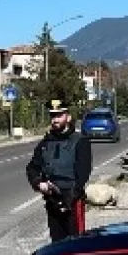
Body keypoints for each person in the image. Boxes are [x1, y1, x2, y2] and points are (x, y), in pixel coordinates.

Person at [26, 98, 93, 242]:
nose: (55, 119)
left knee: (76, 244)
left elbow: (83, 173)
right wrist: (39, 183)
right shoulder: (46, 142)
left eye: (59, 115)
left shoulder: (80, 141)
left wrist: (69, 199)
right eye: (53, 116)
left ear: (68, 117)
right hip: (52, 200)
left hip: (72, 202)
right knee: (57, 246)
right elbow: (32, 167)